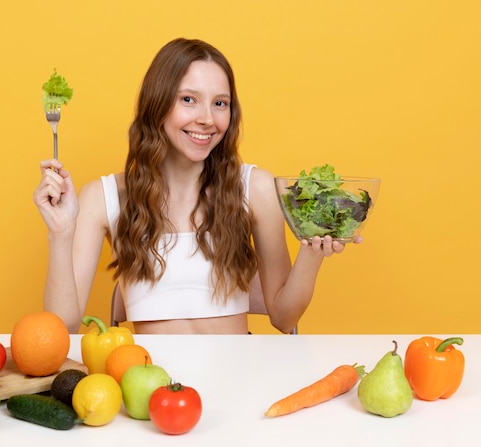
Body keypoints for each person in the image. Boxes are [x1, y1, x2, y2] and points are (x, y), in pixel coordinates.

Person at [33, 37, 358, 335]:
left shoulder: (254, 188)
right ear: (157, 104)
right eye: (189, 99)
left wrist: (311, 250)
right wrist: (60, 233)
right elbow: (62, 326)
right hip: (150, 384)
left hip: (240, 378)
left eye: (220, 103)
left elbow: (284, 317)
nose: (207, 118)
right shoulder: (102, 198)